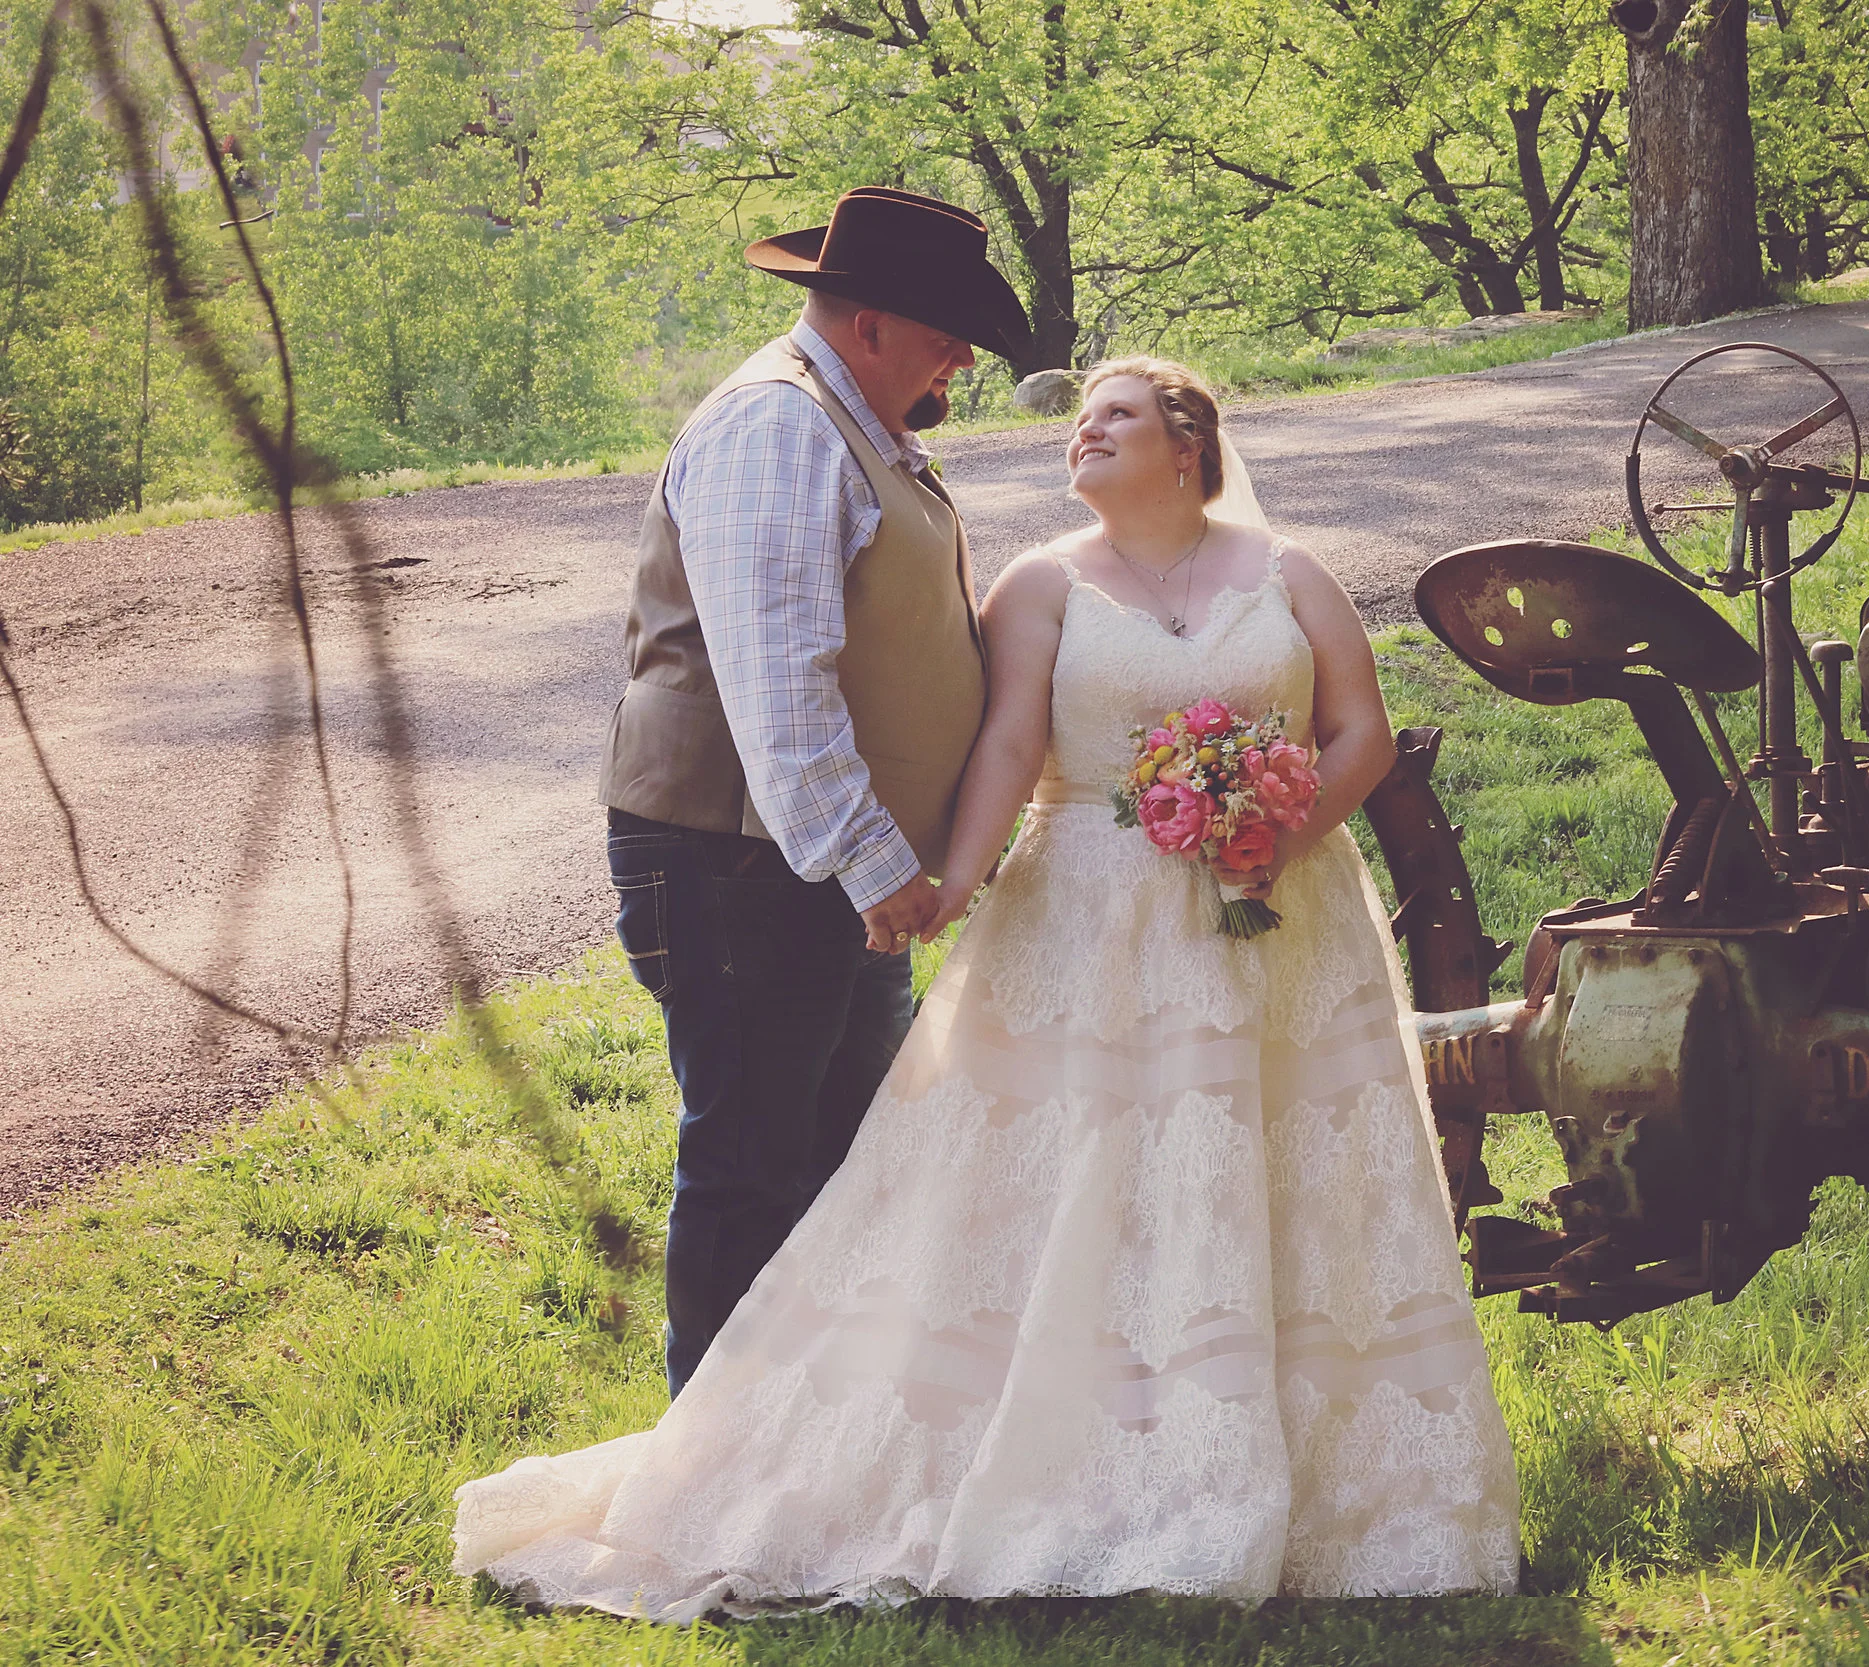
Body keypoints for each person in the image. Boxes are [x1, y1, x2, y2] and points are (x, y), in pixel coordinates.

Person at [455, 358, 1520, 1612]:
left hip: (1284, 919)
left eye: (1114, 416)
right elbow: (1010, 743)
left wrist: (1280, 831)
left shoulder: (1290, 576)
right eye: (1079, 422)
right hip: (1083, 913)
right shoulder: (1042, 583)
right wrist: (945, 889)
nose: (1085, 432)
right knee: (1079, 1173)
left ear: (1187, 444)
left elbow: (1362, 734)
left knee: (1271, 1164)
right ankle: (1061, 1446)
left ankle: (1314, 1466)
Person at [594, 187, 1031, 1396]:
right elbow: (777, 684)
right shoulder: (778, 428)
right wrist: (873, 860)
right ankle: (713, 1478)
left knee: (847, 1156)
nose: (959, 359)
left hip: (815, 868)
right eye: (946, 332)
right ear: (872, 324)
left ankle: (807, 1448)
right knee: (752, 1162)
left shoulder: (856, 423)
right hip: (743, 862)